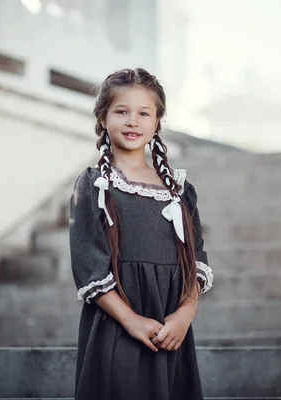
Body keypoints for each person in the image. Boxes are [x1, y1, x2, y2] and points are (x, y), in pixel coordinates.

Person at [68, 68, 214, 400]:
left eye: (144, 113)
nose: (133, 121)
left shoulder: (180, 190)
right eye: (122, 111)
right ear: (103, 118)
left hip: (171, 326)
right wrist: (131, 320)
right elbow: (89, 266)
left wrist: (185, 313)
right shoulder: (94, 186)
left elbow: (196, 260)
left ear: (157, 122)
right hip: (117, 325)